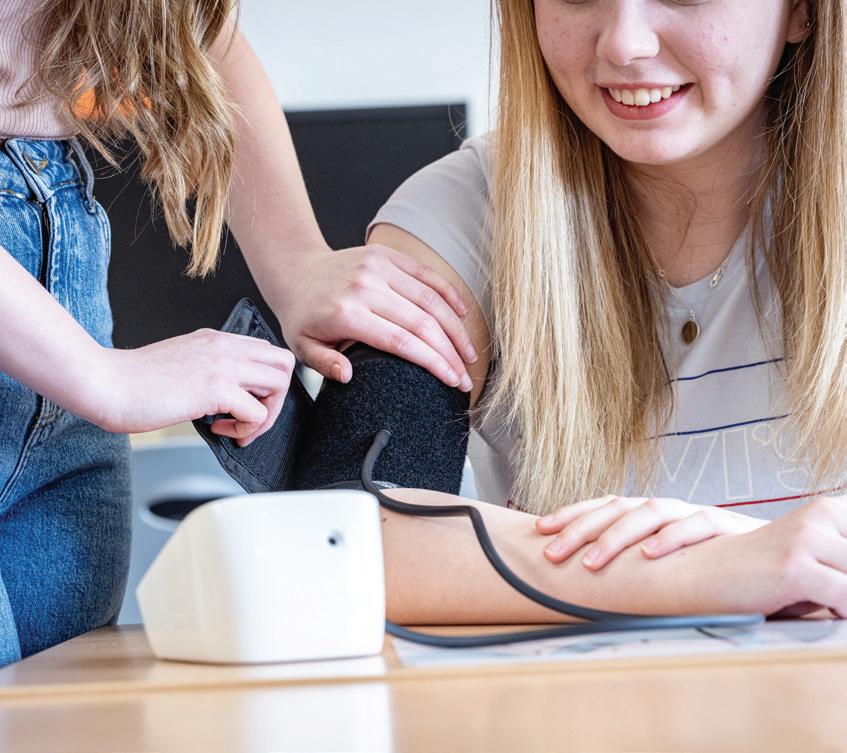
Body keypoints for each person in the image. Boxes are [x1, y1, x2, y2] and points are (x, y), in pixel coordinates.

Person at [303, 0, 847, 624]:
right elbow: (337, 537)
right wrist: (704, 570)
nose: (625, 44)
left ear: (802, 10)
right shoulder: (461, 212)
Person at [0, 0, 475, 664]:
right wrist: (102, 376)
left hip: (59, 229)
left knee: (63, 702)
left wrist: (297, 262)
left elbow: (196, 21)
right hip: (71, 359)